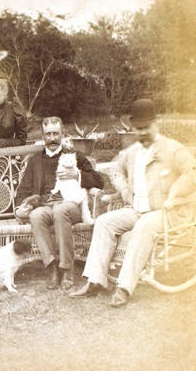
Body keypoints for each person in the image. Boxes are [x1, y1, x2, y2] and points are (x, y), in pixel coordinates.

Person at [69, 99, 196, 306]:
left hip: (166, 213)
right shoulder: (132, 152)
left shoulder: (173, 149)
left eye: (147, 128)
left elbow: (192, 173)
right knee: (104, 222)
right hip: (137, 209)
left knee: (143, 226)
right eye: (139, 129)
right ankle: (95, 280)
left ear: (156, 124)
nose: (143, 133)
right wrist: (125, 189)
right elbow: (115, 170)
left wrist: (174, 194)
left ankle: (124, 287)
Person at [15, 117, 104, 290]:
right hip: (46, 206)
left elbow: (99, 181)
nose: (52, 137)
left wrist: (77, 176)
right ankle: (52, 268)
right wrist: (21, 207)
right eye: (48, 134)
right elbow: (23, 190)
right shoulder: (35, 161)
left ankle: (67, 269)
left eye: (56, 133)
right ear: (43, 136)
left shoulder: (75, 157)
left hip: (72, 205)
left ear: (63, 134)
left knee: (61, 210)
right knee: (36, 215)